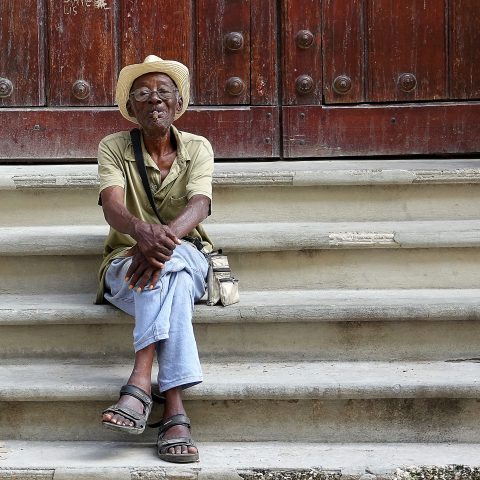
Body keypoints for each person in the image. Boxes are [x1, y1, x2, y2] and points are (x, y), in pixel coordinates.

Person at [95, 55, 214, 463]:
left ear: (178, 103)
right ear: (131, 106)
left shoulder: (198, 147)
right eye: (143, 95)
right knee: (170, 279)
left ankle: (140, 383)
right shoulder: (112, 147)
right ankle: (175, 411)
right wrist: (139, 232)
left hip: (189, 253)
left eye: (163, 92)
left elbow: (201, 205)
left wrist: (160, 242)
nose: (154, 101)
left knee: (172, 264)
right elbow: (112, 206)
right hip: (125, 262)